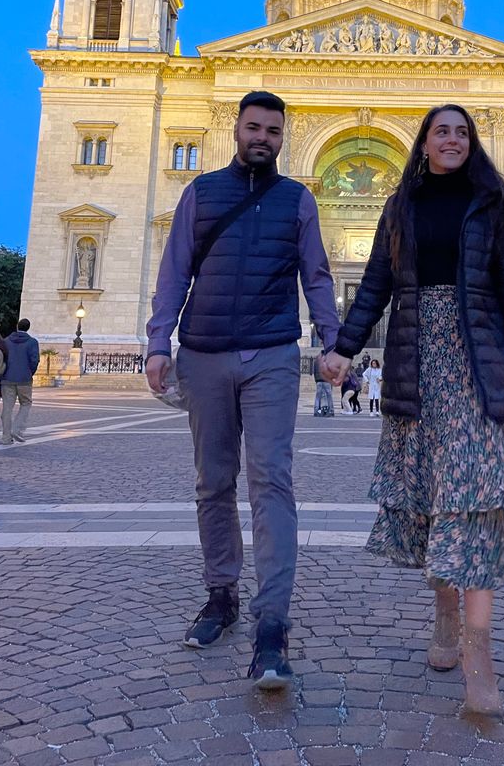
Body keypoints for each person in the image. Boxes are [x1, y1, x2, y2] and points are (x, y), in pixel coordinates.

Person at [322, 104, 504, 715]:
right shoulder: (400, 207)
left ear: (472, 143)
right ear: (422, 144)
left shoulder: (494, 203)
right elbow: (374, 284)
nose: (452, 140)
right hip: (414, 358)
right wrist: (343, 348)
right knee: (429, 498)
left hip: (477, 364)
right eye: (440, 131)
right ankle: (444, 608)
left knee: (475, 497)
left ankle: (480, 653)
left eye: (462, 132)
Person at [145, 91, 340, 690]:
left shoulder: (298, 199)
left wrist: (332, 342)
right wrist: (158, 342)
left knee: (272, 481)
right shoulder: (200, 193)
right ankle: (221, 595)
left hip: (273, 355)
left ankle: (272, 623)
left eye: (274, 131)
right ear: (236, 129)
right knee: (213, 481)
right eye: (254, 127)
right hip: (202, 354)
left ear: (284, 137)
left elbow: (318, 275)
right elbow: (175, 270)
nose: (263, 137)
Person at [1, 318, 40, 444]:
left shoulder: (6, 341)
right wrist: (29, 372)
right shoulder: (32, 342)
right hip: (24, 378)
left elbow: (2, 359)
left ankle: (6, 437)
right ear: (28, 328)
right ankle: (16, 429)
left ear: (17, 326)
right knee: (26, 403)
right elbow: (34, 360)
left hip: (7, 377)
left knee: (7, 407)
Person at [312, 353, 334, 418]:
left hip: (318, 380)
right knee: (329, 396)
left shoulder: (316, 361)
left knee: (317, 397)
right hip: (326, 380)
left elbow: (314, 371)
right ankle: (330, 411)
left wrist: (316, 380)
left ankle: (317, 411)